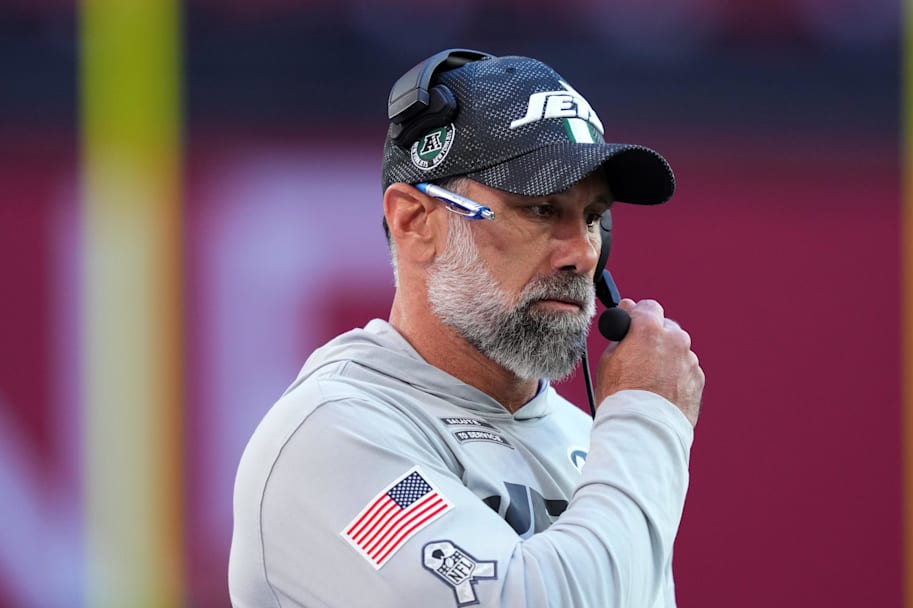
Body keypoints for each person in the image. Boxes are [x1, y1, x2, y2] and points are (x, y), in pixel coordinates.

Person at [229, 49, 705, 607]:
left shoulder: (595, 442)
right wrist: (646, 417)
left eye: (594, 217)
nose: (582, 253)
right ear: (414, 221)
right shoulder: (331, 440)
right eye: (540, 209)